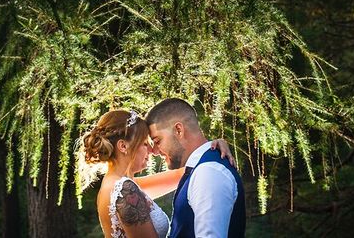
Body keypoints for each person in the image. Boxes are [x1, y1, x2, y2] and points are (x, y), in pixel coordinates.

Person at [83, 109, 234, 238]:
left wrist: (211, 148)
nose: (152, 151)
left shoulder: (121, 184)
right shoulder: (124, 190)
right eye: (144, 143)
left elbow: (181, 174)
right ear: (123, 146)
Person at [146, 98, 246, 238]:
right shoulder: (199, 169)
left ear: (178, 130)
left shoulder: (209, 172)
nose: (155, 151)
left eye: (157, 141)